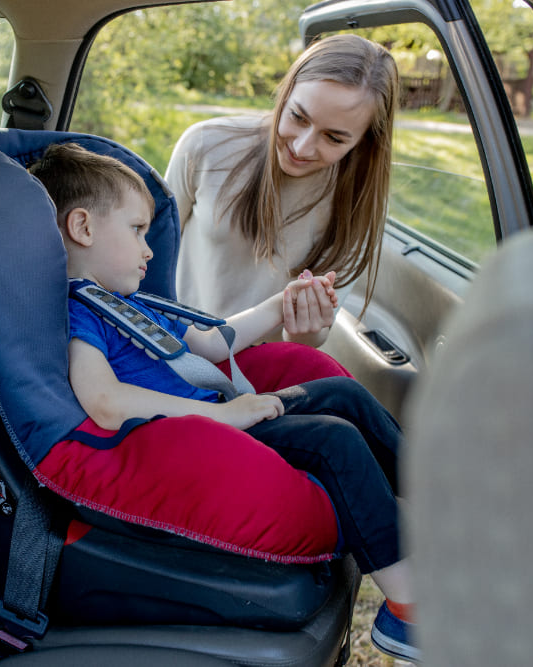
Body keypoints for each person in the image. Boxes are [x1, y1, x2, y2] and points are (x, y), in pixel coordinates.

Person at [29, 142, 419, 662]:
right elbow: (103, 401)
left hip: (227, 415)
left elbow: (214, 343)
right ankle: (407, 613)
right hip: (201, 435)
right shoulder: (83, 314)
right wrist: (224, 415)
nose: (149, 250)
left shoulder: (131, 306)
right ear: (83, 228)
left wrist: (281, 303)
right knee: (334, 440)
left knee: (343, 393)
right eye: (136, 230)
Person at [165, 33, 399, 349]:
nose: (302, 147)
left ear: (364, 142)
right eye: (298, 117)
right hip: (172, 348)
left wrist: (306, 329)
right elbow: (146, 258)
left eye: (333, 138)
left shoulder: (357, 203)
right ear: (285, 95)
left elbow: (309, 340)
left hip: (259, 379)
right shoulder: (206, 145)